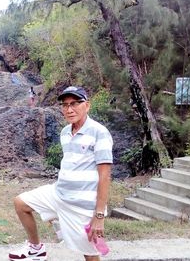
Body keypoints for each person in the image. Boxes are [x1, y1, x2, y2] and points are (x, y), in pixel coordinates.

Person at [9, 86, 113, 261]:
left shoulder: (99, 132)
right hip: (58, 194)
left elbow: (105, 176)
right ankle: (35, 248)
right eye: (65, 105)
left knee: (90, 255)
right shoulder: (65, 132)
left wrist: (99, 216)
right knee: (20, 203)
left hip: (82, 206)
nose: (69, 109)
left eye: (74, 103)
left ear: (87, 105)